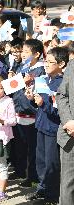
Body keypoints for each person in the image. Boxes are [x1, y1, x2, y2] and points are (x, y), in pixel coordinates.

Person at [24, 47, 68, 204]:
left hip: (52, 129)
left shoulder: (62, 83)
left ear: (62, 64)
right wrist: (32, 99)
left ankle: (52, 195)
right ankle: (42, 189)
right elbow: (39, 106)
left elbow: (60, 111)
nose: (47, 65)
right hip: (41, 125)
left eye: (51, 62)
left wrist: (44, 104)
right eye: (46, 61)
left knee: (51, 164)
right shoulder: (44, 79)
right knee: (41, 161)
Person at [10, 39, 45, 187]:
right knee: (19, 145)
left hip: (32, 115)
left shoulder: (41, 70)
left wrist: (32, 80)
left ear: (36, 54)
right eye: (22, 51)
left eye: (26, 52)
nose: (23, 54)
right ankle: (19, 171)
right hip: (18, 113)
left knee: (33, 149)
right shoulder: (22, 66)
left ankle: (33, 177)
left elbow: (42, 89)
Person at [56, 47, 74, 205]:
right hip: (70, 136)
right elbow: (62, 95)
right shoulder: (72, 65)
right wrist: (68, 120)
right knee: (67, 184)